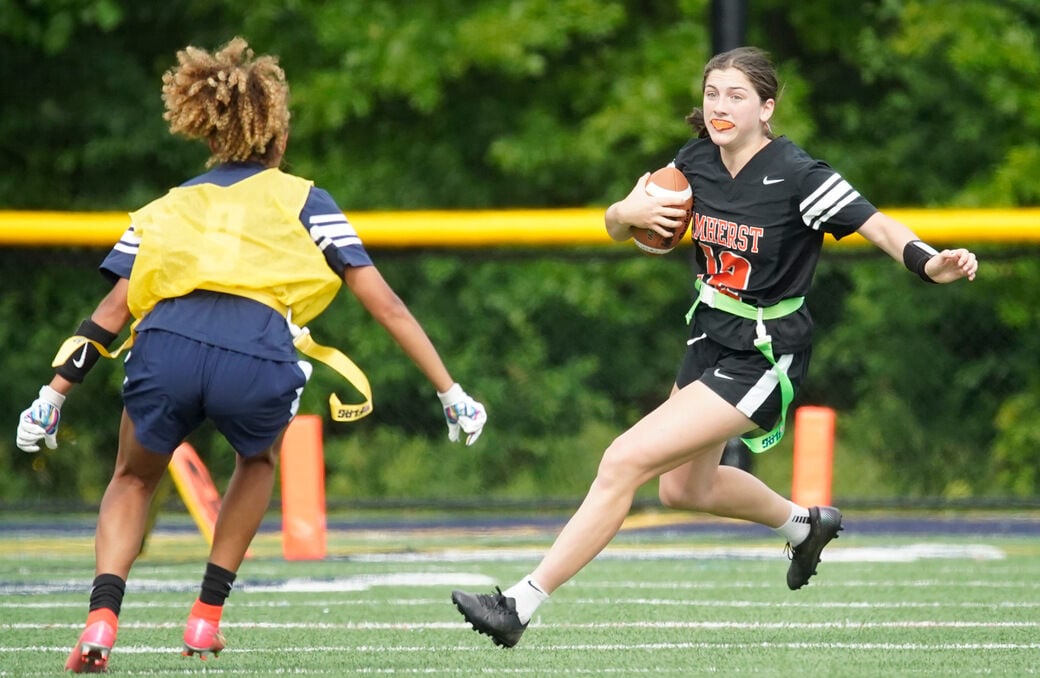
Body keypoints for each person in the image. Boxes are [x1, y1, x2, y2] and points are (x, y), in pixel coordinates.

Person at [451, 45, 977, 649]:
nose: (720, 106)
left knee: (623, 460)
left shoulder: (799, 175)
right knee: (683, 489)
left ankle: (519, 603)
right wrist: (627, 210)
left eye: (737, 95)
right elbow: (620, 226)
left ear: (766, 108)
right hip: (709, 335)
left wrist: (929, 262)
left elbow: (876, 223)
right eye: (711, 94)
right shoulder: (693, 162)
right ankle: (805, 527)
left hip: (764, 351)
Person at [14, 37, 487, 673]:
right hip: (255, 351)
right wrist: (450, 392)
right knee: (258, 459)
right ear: (277, 137)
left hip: (168, 345)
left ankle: (102, 617)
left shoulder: (167, 205)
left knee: (131, 478)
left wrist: (50, 396)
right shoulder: (305, 198)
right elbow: (387, 306)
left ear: (208, 134)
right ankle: (206, 618)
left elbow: (110, 314)